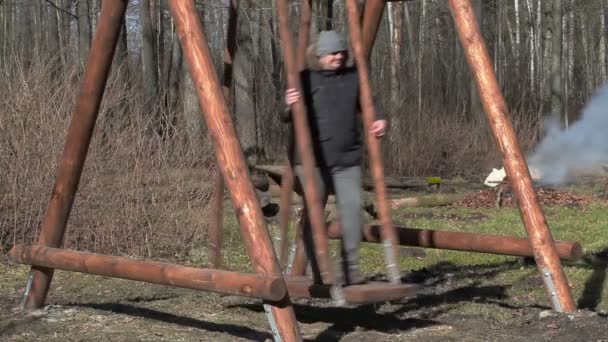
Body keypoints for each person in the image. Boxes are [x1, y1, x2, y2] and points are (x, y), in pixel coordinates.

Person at [283, 30, 388, 286]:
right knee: (314, 215)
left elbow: (371, 105)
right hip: (312, 161)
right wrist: (288, 104)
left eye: (341, 52)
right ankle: (318, 269)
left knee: (352, 212)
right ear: (320, 56)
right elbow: (286, 114)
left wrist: (379, 120)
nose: (338, 57)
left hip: (347, 159)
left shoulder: (354, 79)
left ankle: (350, 269)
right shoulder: (305, 79)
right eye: (332, 53)